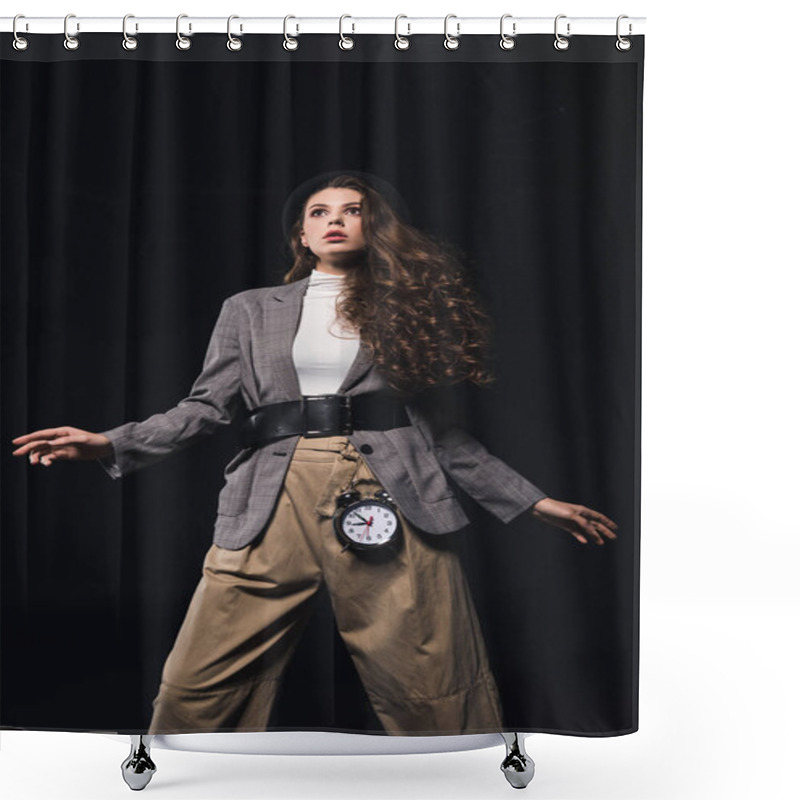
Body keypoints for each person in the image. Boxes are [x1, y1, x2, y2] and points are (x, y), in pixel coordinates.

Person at [11, 170, 618, 736]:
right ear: (301, 233)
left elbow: (442, 434)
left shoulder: (407, 309)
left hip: (389, 492)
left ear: (373, 227)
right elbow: (206, 408)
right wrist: (110, 442)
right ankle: (188, 782)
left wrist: (533, 501)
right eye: (320, 211)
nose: (336, 220)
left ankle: (453, 779)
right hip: (271, 492)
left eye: (354, 211)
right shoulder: (248, 310)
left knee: (432, 673)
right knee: (201, 676)